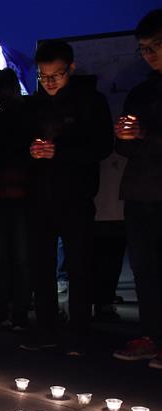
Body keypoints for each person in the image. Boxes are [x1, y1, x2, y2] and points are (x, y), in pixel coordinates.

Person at [21, 39, 113, 356]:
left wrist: (59, 152)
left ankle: (79, 330)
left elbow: (102, 146)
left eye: (56, 75)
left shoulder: (91, 102)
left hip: (76, 196)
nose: (48, 82)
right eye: (43, 76)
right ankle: (46, 327)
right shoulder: (32, 106)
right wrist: (30, 152)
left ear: (70, 69)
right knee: (41, 267)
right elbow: (15, 147)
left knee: (80, 266)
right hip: (38, 198)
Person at [113, 9, 162, 368]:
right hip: (141, 191)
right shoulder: (142, 91)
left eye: (157, 45)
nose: (150, 54)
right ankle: (151, 336)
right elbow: (125, 147)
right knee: (145, 269)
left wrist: (148, 134)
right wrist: (126, 136)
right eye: (144, 48)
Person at [0, 68, 31, 333]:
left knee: (5, 258)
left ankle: (5, 311)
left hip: (9, 195)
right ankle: (15, 313)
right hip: (12, 194)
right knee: (14, 258)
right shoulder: (22, 115)